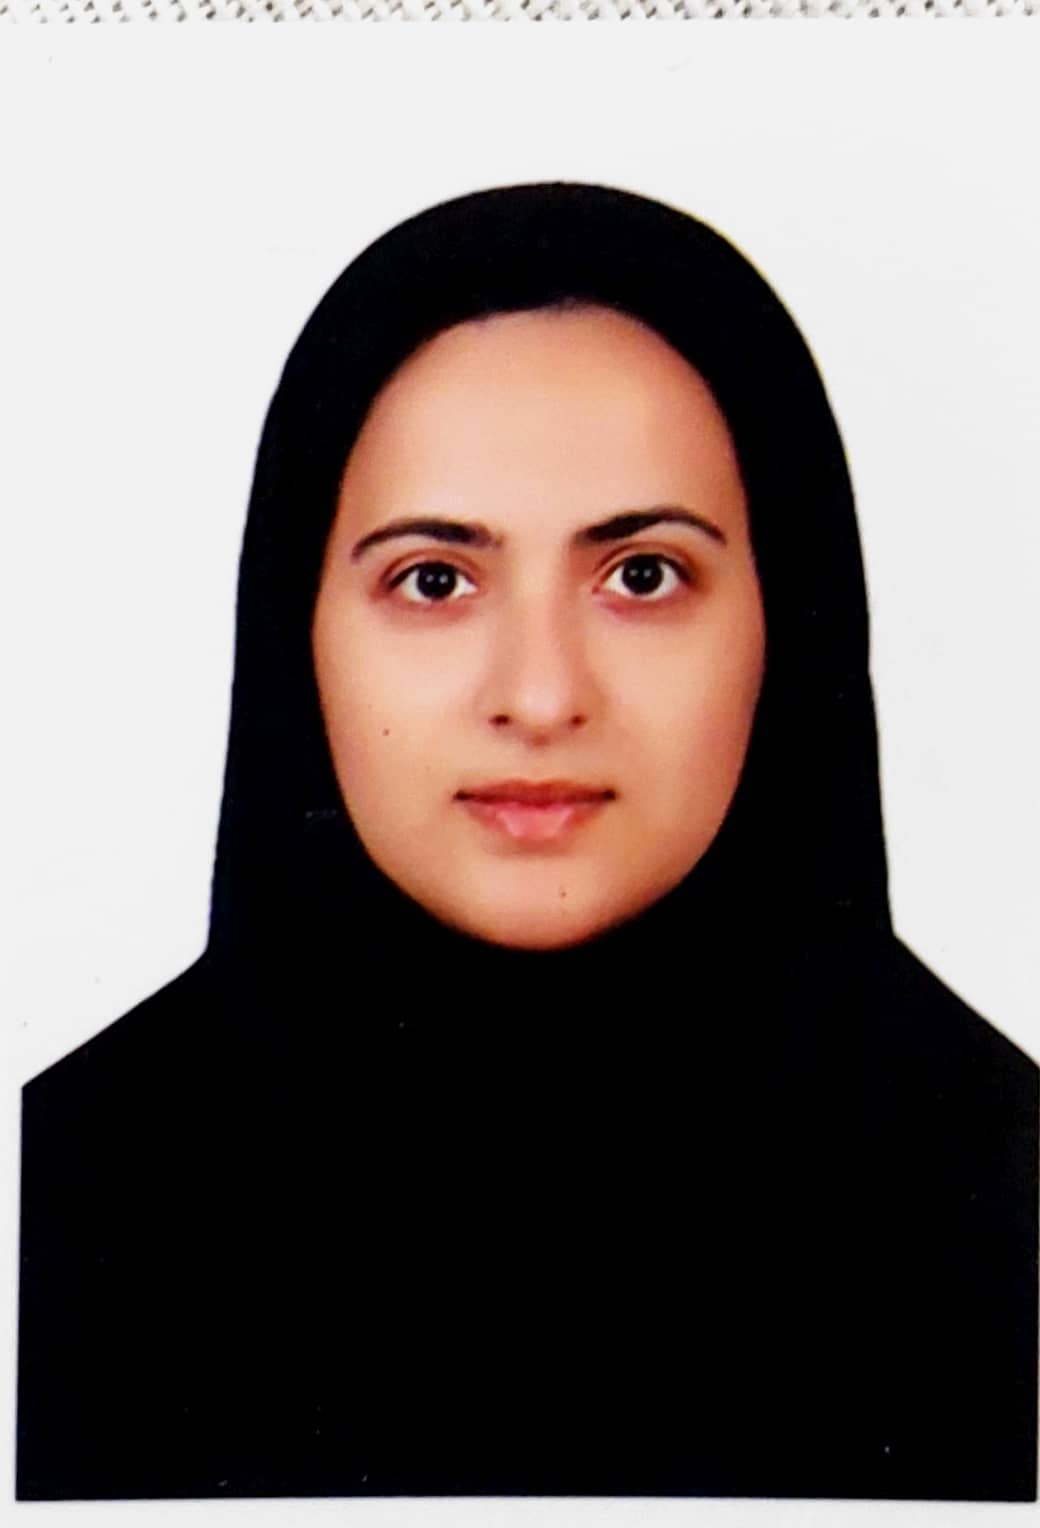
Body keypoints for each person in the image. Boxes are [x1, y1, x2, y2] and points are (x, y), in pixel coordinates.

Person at [17, 182, 1038, 1502]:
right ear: (296, 632)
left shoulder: (1008, 1194)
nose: (543, 696)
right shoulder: (53, 1206)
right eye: (434, 581)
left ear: (792, 623)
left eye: (643, 576)